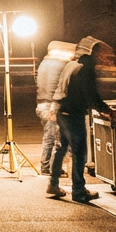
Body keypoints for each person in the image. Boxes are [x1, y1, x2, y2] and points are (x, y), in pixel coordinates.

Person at [46, 40, 102, 202]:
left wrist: (53, 106)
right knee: (79, 152)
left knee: (61, 148)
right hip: (73, 113)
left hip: (61, 110)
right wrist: (106, 110)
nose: (102, 58)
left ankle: (53, 184)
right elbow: (92, 95)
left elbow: (59, 87)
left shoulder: (71, 65)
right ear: (92, 53)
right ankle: (78, 191)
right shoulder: (85, 69)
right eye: (100, 54)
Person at [35, 41, 75, 176]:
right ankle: (54, 169)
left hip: (41, 104)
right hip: (52, 106)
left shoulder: (43, 64)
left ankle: (46, 167)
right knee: (58, 140)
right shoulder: (61, 65)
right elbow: (61, 87)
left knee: (49, 138)